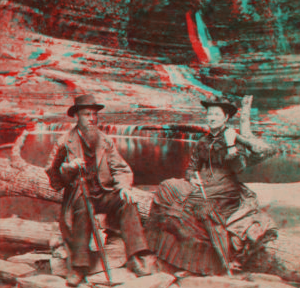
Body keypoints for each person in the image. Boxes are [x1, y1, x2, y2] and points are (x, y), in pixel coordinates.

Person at [146, 96, 277, 276]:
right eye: (209, 113)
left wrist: (231, 145)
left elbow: (239, 168)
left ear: (225, 118)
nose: (212, 117)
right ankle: (163, 250)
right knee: (167, 187)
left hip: (226, 189)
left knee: (195, 207)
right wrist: (192, 178)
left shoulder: (233, 138)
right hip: (203, 184)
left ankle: (212, 262)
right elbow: (191, 167)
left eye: (217, 114)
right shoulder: (203, 141)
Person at [46, 94, 157, 287]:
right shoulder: (65, 142)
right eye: (87, 114)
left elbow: (120, 168)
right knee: (82, 208)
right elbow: (54, 178)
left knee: (128, 202)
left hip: (103, 193)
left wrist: (123, 187)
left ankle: (134, 256)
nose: (92, 118)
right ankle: (79, 267)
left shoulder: (104, 140)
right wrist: (69, 168)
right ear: (77, 117)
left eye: (95, 114)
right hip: (79, 195)